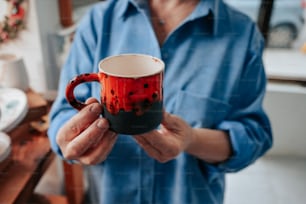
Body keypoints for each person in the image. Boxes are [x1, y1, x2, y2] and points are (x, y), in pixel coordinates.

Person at [48, 0, 273, 203]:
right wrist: (72, 141)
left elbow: (253, 135)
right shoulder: (99, 21)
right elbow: (62, 117)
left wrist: (192, 139)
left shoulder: (242, 34)